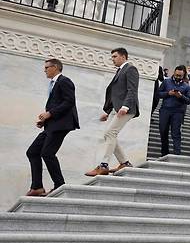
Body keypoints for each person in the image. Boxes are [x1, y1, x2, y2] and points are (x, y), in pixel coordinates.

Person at [25, 58, 79, 196]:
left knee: (47, 153)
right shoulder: (54, 83)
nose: (45, 70)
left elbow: (69, 101)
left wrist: (50, 113)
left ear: (55, 67)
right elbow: (58, 104)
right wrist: (45, 120)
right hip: (52, 125)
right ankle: (37, 187)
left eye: (47, 67)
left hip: (61, 125)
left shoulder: (64, 81)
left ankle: (60, 185)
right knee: (32, 152)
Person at [86, 48, 139, 176]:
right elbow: (115, 94)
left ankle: (103, 165)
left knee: (110, 133)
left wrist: (125, 107)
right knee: (109, 135)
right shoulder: (120, 71)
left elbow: (132, 90)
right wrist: (108, 111)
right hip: (116, 109)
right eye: (112, 57)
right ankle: (125, 163)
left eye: (115, 56)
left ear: (123, 57)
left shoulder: (130, 69)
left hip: (126, 109)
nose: (112, 59)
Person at [157, 65, 190, 156]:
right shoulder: (166, 82)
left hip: (178, 111)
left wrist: (181, 96)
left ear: (183, 75)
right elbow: (158, 94)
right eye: (176, 75)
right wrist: (168, 93)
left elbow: (189, 101)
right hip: (165, 109)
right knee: (163, 130)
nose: (177, 77)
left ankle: (177, 153)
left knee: (176, 132)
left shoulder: (186, 86)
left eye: (180, 76)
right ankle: (164, 152)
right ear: (174, 73)